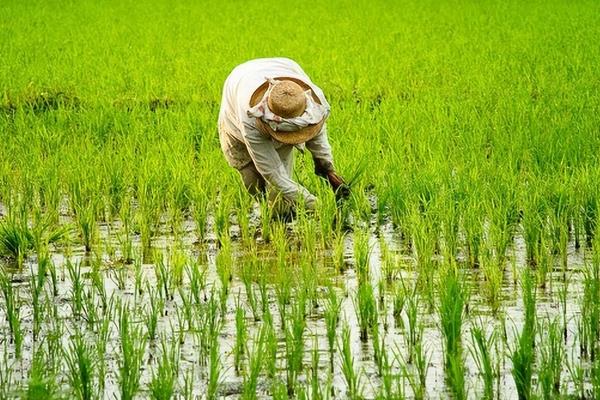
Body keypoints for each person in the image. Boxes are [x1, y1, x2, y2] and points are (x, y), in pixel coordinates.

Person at [218, 57, 349, 213]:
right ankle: (266, 214)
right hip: (235, 114)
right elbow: (272, 173)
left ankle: (278, 218)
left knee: (279, 201)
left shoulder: (311, 102)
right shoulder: (251, 119)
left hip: (280, 69)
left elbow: (317, 132)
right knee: (252, 181)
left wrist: (328, 169)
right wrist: (315, 205)